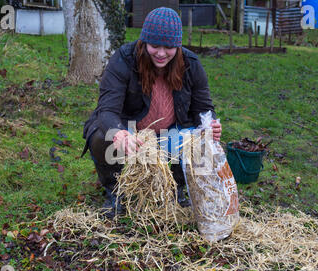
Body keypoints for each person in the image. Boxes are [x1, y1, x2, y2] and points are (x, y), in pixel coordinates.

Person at [81, 7, 222, 218]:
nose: (161, 53)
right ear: (144, 42)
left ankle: (177, 188)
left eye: (169, 47)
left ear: (178, 45)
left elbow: (204, 107)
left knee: (200, 140)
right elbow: (107, 109)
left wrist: (209, 124)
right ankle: (116, 191)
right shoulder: (124, 59)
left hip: (171, 132)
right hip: (133, 131)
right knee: (104, 137)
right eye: (155, 45)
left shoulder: (191, 64)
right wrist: (119, 132)